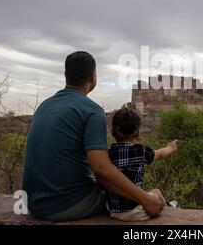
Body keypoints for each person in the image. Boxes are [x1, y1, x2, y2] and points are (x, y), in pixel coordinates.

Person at [22, 51, 165, 221]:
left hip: (33, 204)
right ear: (93, 76)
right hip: (65, 205)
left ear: (66, 75)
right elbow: (101, 170)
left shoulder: (44, 106)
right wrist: (146, 199)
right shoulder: (92, 110)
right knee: (125, 200)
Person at [107, 106, 178, 221]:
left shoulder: (107, 154)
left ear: (114, 130)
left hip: (114, 212)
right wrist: (171, 147)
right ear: (136, 131)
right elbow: (160, 154)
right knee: (156, 192)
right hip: (136, 211)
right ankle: (169, 207)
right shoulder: (140, 151)